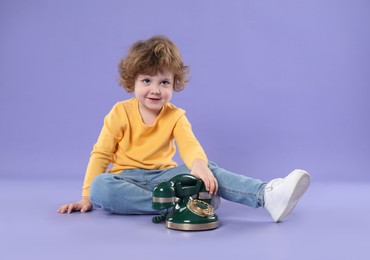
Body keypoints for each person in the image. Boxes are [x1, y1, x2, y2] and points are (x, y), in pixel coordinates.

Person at [57, 35, 311, 222]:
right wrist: (86, 197)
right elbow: (101, 154)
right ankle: (186, 203)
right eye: (146, 80)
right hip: (126, 178)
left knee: (206, 169)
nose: (155, 89)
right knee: (102, 187)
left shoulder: (176, 116)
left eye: (164, 82)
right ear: (131, 81)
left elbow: (189, 144)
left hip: (164, 177)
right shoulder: (119, 112)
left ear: (174, 84)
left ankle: (265, 195)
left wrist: (198, 164)